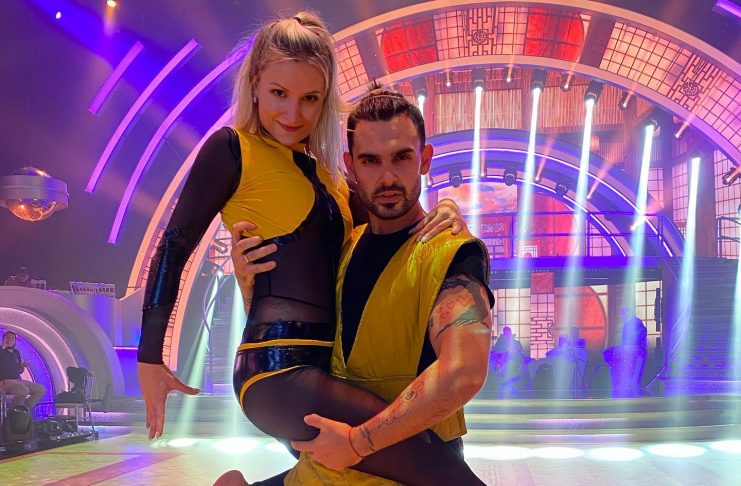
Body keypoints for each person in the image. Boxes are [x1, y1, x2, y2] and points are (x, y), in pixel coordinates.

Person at [135, 11, 468, 486]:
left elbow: (390, 220)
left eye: (310, 99)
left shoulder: (330, 176)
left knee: (348, 477)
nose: (293, 114)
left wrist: (448, 206)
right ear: (255, 83)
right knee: (439, 469)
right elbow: (174, 245)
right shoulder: (232, 150)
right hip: (276, 373)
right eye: (279, 94)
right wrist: (150, 357)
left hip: (327, 368)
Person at [227, 87, 493, 485]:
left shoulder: (452, 251)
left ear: (424, 159)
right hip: (324, 472)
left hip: (405, 473)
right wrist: (251, 284)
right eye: (370, 160)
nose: (387, 178)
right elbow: (301, 342)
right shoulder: (343, 249)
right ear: (350, 166)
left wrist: (358, 442)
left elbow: (462, 372)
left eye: (401, 157)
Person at [0, 331, 46, 410]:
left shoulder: (16, 352)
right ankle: (15, 412)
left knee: (40, 389)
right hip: (4, 382)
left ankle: (24, 410)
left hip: (17, 381)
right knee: (23, 390)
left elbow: (19, 370)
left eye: (12, 338)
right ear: (3, 339)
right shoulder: (1, 350)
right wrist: (3, 347)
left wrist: (21, 366)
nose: (10, 340)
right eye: (7, 338)